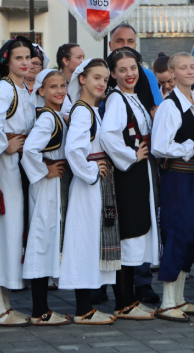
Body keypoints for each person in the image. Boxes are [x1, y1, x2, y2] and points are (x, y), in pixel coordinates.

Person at [0, 36, 36, 327]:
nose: (25, 63)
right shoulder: (4, 87)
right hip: (4, 168)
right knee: (1, 232)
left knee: (12, 233)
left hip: (15, 167)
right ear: (7, 62)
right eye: (19, 58)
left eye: (28, 57)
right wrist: (4, 146)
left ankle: (4, 305)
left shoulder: (21, 88)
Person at [100, 47, 160, 320]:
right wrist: (131, 156)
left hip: (139, 172)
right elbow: (109, 135)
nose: (129, 74)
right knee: (128, 234)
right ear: (113, 74)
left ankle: (129, 300)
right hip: (128, 175)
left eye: (133, 68)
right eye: (122, 70)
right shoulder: (116, 100)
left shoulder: (131, 97)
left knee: (136, 231)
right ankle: (123, 302)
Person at [151, 52, 194, 322]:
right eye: (183, 68)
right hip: (178, 177)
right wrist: (191, 149)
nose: (189, 71)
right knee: (177, 232)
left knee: (192, 234)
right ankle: (166, 301)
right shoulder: (169, 106)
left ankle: (180, 298)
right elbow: (159, 146)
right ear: (172, 73)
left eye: (192, 67)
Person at [60, 58, 119, 324]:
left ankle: (86, 306)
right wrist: (93, 171)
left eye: (105, 80)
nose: (101, 84)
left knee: (91, 240)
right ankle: (83, 309)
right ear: (82, 79)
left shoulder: (91, 110)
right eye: (96, 77)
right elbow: (74, 149)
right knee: (84, 241)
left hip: (95, 185)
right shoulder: (83, 111)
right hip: (88, 187)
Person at [20, 69, 72, 326]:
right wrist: (45, 170)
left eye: (62, 85)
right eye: (53, 87)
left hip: (51, 184)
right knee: (41, 241)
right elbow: (29, 150)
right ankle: (39, 311)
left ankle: (42, 308)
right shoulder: (47, 119)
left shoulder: (55, 116)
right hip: (45, 186)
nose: (60, 90)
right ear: (41, 91)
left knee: (47, 240)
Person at [57, 43, 85, 114]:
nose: (83, 61)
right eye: (79, 57)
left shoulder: (84, 82)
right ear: (66, 61)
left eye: (83, 57)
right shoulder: (54, 84)